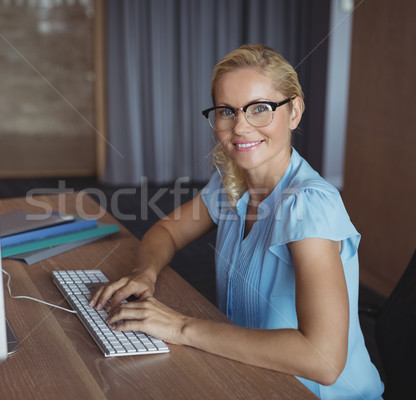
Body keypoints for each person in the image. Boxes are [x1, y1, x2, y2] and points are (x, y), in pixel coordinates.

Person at [89, 44, 384, 399]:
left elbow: (323, 360)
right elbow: (167, 231)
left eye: (260, 109)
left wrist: (181, 326)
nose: (240, 127)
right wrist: (145, 273)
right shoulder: (233, 183)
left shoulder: (309, 206)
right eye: (227, 111)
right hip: (251, 375)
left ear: (294, 112)